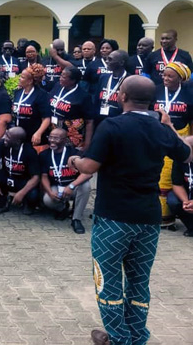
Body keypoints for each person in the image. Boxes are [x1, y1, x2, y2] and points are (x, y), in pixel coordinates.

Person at [68, 75, 193, 345]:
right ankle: (136, 336)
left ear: (122, 96)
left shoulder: (112, 126)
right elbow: (186, 154)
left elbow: (89, 167)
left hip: (114, 217)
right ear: (151, 101)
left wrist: (75, 158)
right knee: (139, 281)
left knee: (107, 279)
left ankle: (119, 338)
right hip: (148, 218)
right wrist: (170, 127)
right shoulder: (161, 129)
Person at [152, 61, 193, 229]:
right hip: (156, 136)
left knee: (170, 175)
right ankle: (158, 215)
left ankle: (168, 217)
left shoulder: (189, 94)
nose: (165, 78)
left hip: (180, 136)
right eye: (164, 75)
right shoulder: (156, 90)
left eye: (170, 76)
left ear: (180, 79)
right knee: (157, 174)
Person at [40, 128, 89, 233]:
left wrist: (72, 186)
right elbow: (43, 176)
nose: (52, 140)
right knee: (47, 200)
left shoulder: (75, 153)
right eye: (51, 137)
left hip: (73, 187)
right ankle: (62, 209)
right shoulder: (44, 155)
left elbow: (87, 173)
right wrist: (49, 192)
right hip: (56, 187)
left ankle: (76, 219)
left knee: (85, 186)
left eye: (56, 138)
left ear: (65, 140)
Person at [0, 126, 41, 216]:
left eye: (8, 136)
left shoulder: (30, 151)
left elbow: (36, 177)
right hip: (7, 176)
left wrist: (22, 193)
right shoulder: (2, 143)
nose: (4, 138)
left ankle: (28, 204)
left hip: (22, 180)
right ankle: (1, 204)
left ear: (17, 141)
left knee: (33, 194)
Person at [48, 67, 94, 150]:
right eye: (61, 75)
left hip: (72, 134)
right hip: (54, 128)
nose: (60, 78)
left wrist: (87, 144)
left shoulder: (83, 96)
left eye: (64, 77)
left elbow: (89, 121)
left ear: (73, 81)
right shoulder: (57, 86)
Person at [12, 66, 51, 149]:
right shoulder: (17, 92)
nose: (19, 79)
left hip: (33, 136)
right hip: (19, 136)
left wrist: (39, 133)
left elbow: (46, 119)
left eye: (22, 77)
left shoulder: (41, 95)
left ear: (30, 81)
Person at [93, 50, 128, 127]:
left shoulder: (129, 80)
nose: (106, 61)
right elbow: (96, 100)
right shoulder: (103, 77)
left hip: (120, 123)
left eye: (110, 59)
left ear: (121, 63)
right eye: (107, 59)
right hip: (101, 121)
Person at [168, 157, 193, 236]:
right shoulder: (181, 157)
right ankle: (191, 227)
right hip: (187, 193)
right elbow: (177, 184)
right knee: (173, 201)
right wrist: (186, 202)